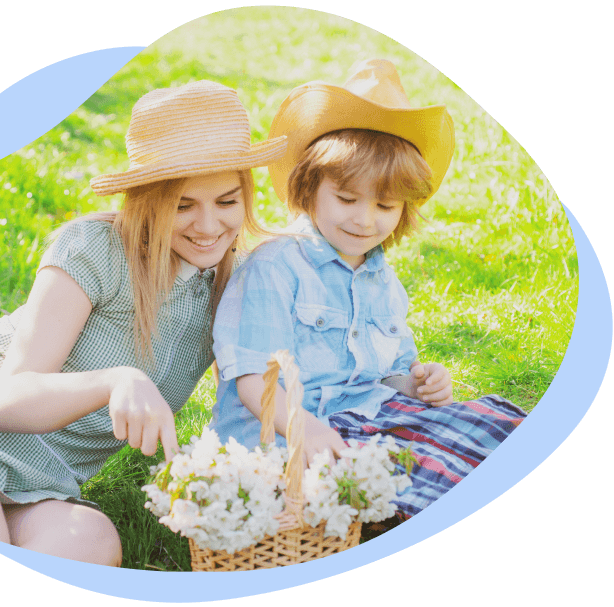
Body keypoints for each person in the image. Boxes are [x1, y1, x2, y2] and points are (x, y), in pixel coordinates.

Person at [0, 80, 287, 565]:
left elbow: (251, 397)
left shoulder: (236, 284)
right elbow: (9, 401)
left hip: (38, 477)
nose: (209, 226)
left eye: (227, 201)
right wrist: (116, 380)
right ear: (148, 199)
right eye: (183, 205)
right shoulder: (96, 249)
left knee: (88, 541)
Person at [208, 59, 527, 520]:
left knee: (502, 428)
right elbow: (254, 382)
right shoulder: (277, 265)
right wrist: (307, 429)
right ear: (309, 186)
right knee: (435, 475)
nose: (364, 219)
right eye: (347, 198)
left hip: (370, 415)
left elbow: (390, 377)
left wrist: (422, 383)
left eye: (384, 204)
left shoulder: (382, 279)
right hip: (289, 431)